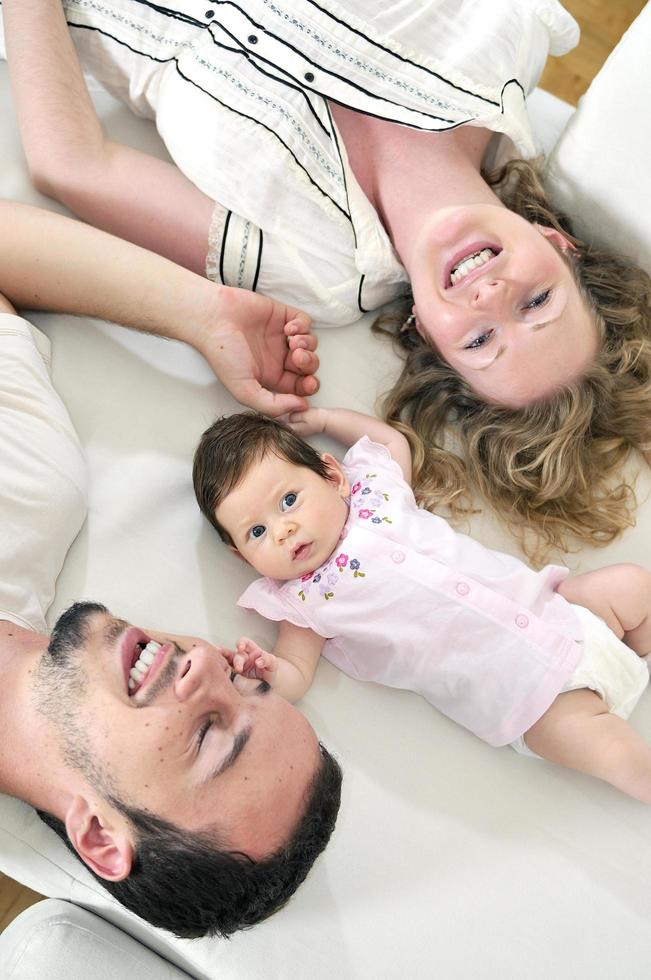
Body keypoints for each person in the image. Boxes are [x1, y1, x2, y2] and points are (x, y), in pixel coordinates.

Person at [5, 1, 651, 561]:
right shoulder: (502, 34)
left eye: (481, 342)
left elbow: (73, 164)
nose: (491, 298)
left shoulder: (314, 269)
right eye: (537, 301)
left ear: (426, 332)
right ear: (557, 244)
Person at [0, 202, 341, 939]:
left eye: (208, 735)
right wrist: (202, 312)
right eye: (247, 682)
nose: (209, 670)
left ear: (98, 834)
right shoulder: (36, 488)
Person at [192, 408, 651, 803]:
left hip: (562, 611)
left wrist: (327, 419)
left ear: (334, 477)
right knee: (616, 754)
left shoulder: (375, 493)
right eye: (256, 532)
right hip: (529, 698)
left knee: (633, 586)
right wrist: (268, 671)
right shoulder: (305, 602)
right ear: (240, 556)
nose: (282, 530)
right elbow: (296, 673)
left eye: (289, 501)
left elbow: (392, 440)